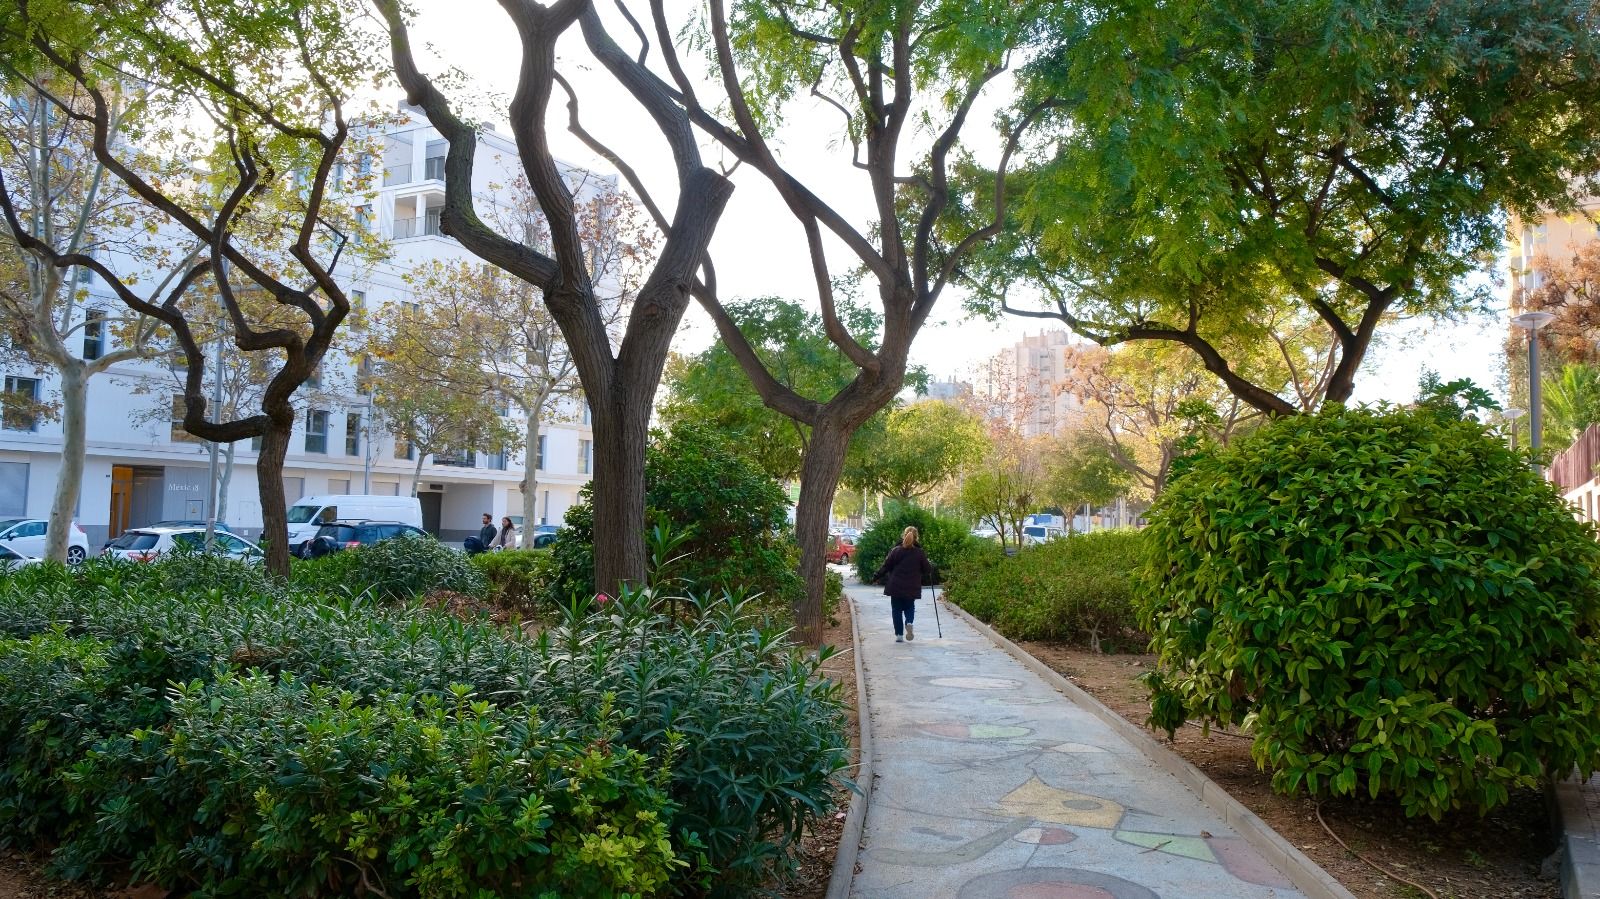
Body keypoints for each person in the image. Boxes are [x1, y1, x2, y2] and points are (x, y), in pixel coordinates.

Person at [873, 525, 934, 643]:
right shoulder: (919, 553)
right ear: (916, 538)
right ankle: (909, 622)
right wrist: (929, 566)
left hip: (895, 586)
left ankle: (899, 635)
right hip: (912, 586)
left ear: (903, 535)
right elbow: (927, 570)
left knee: (896, 609)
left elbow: (886, 566)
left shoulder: (896, 551)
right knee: (909, 606)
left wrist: (876, 576)